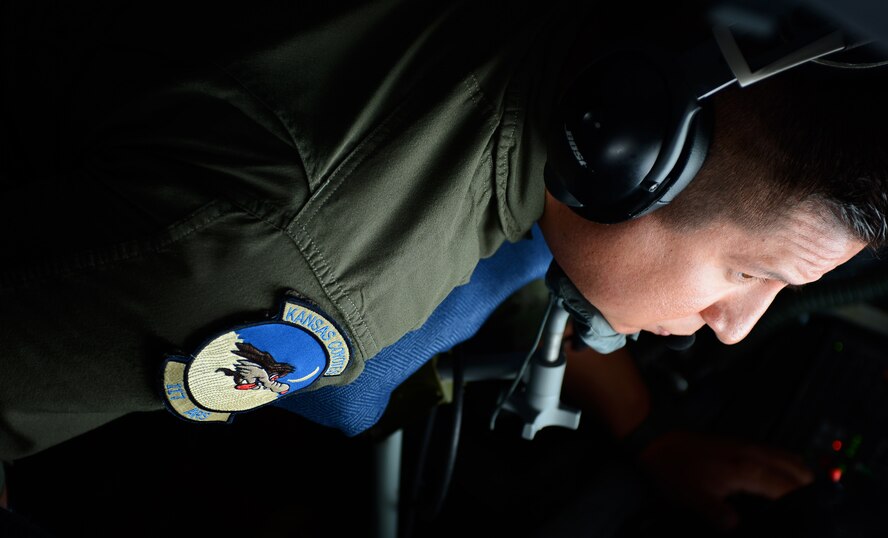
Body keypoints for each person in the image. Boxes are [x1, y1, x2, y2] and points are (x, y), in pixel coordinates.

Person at [1, 0, 885, 470]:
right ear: (628, 155)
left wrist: (645, 431)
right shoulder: (305, 271)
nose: (734, 326)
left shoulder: (572, 51)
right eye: (751, 273)